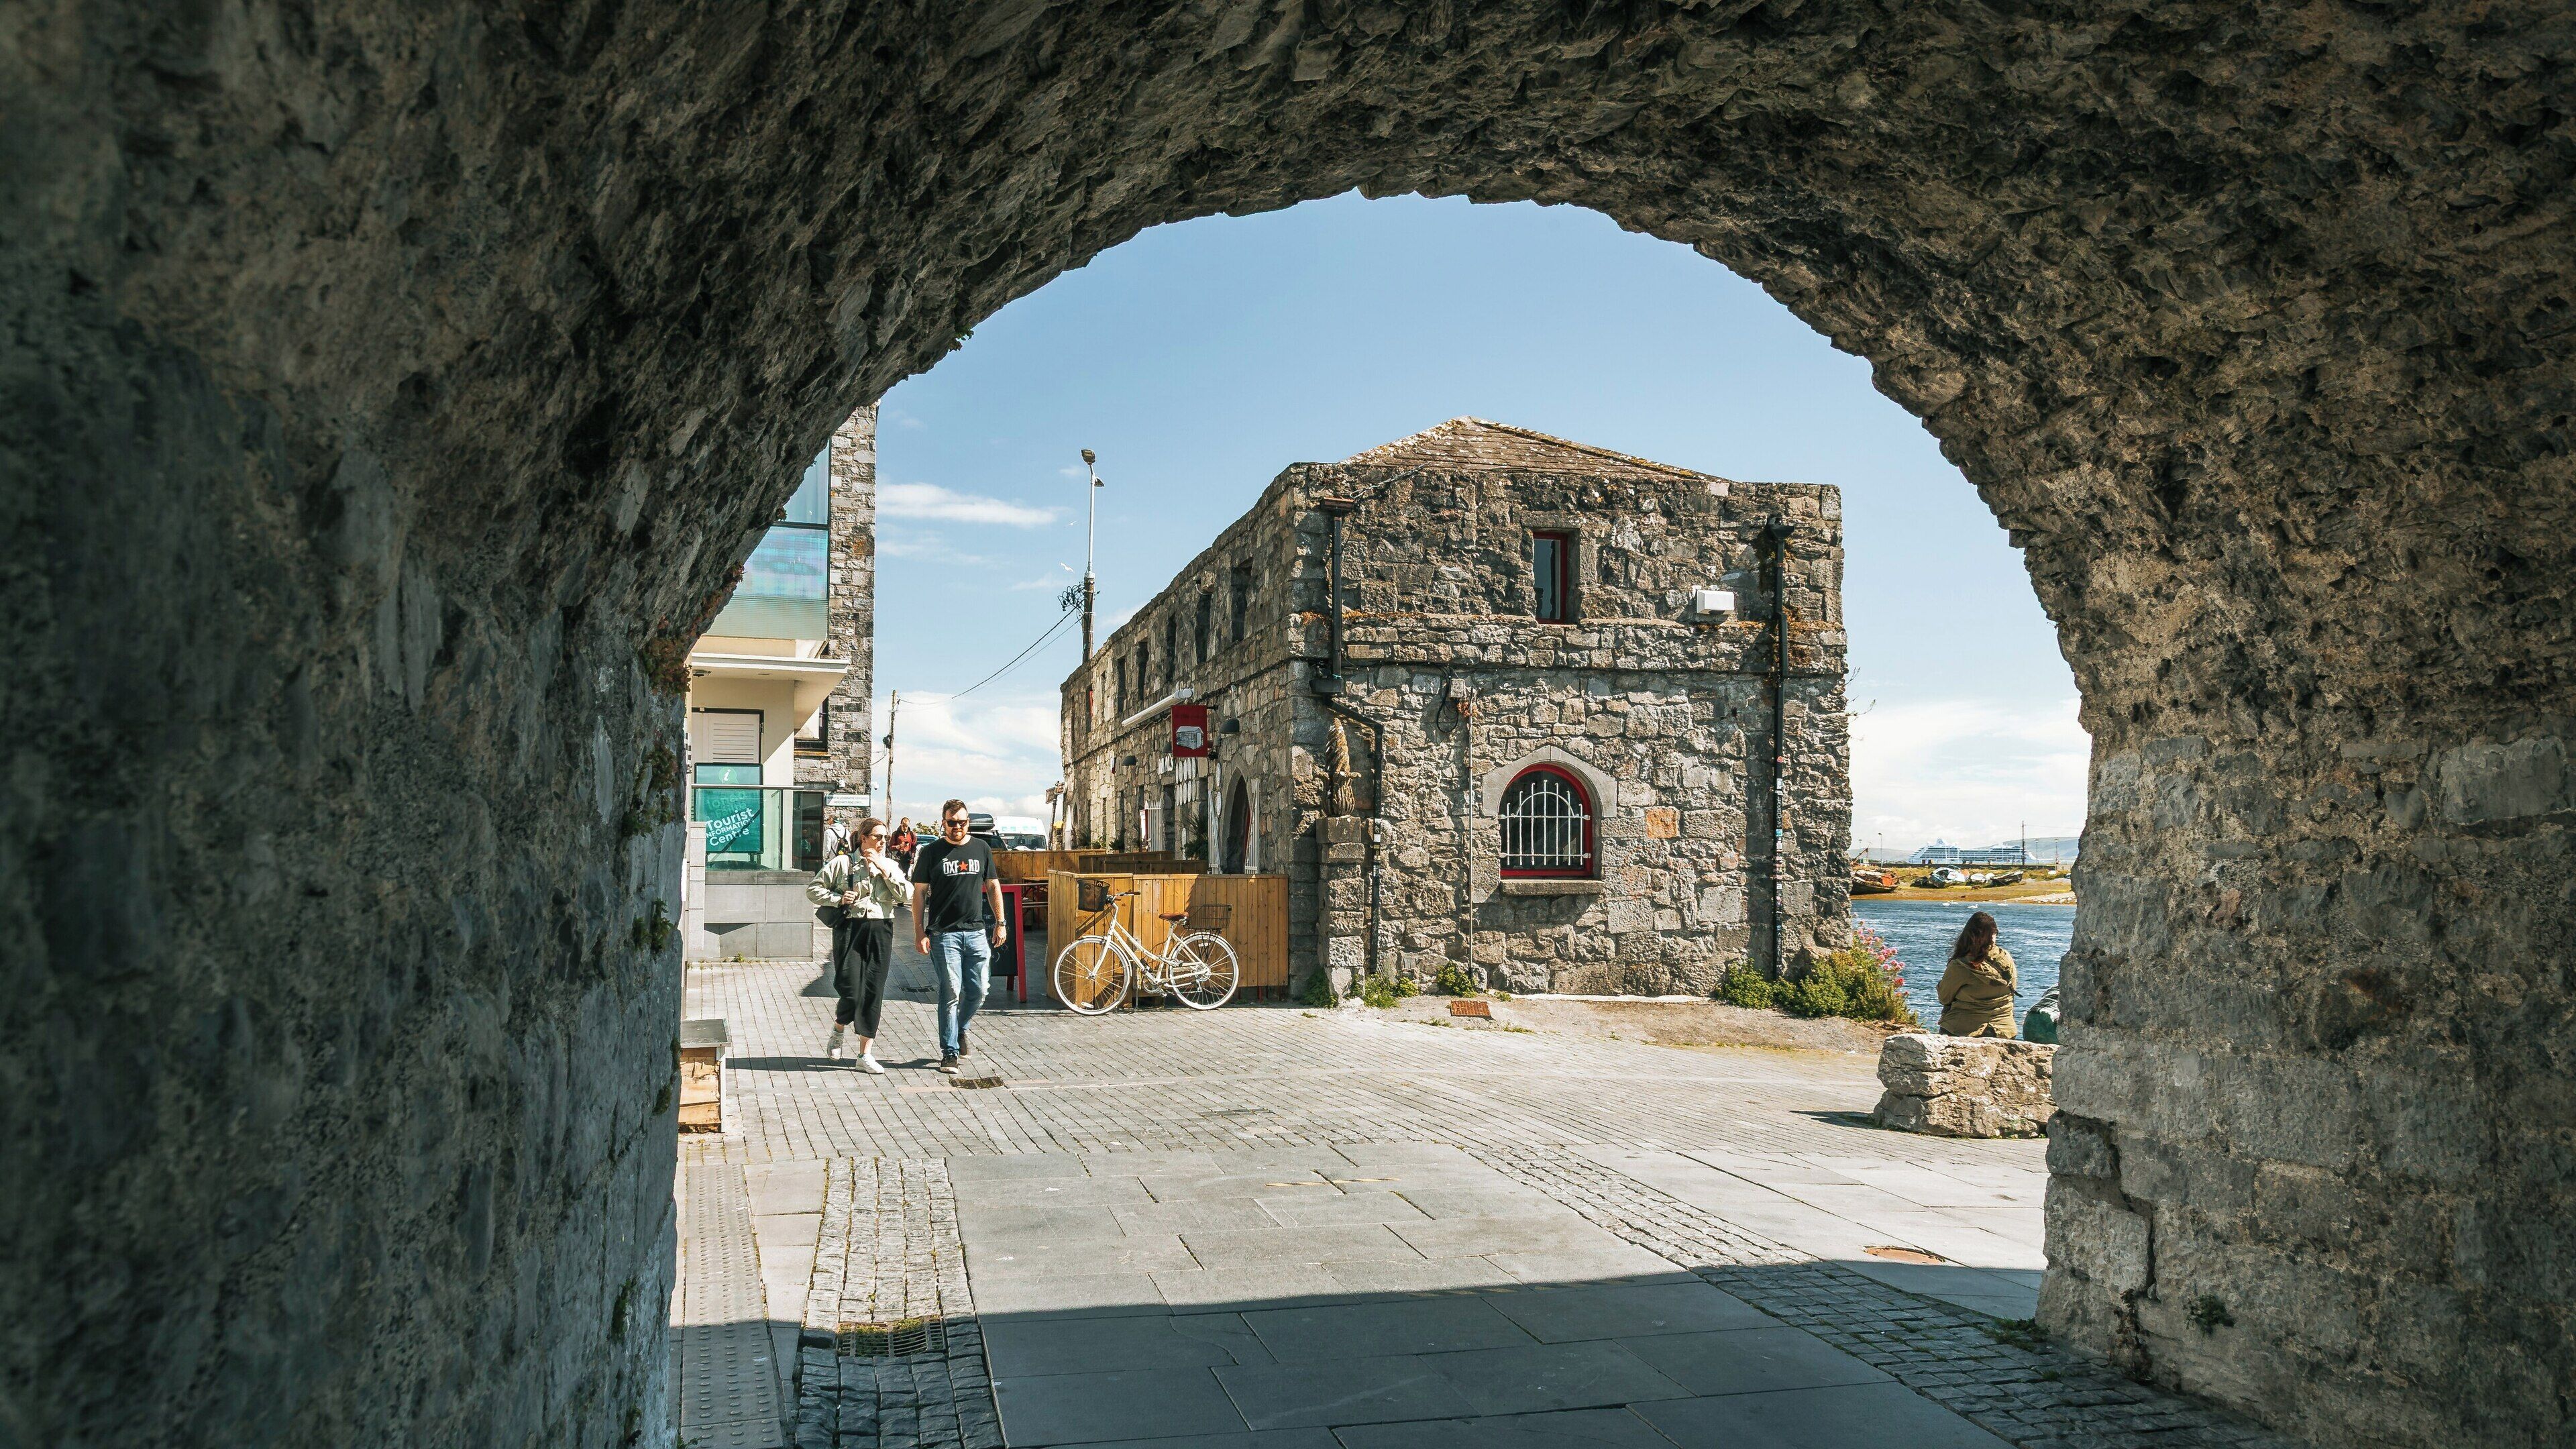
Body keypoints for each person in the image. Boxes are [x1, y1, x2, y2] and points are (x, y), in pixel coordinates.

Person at [806, 817, 910, 1073]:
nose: (883, 841)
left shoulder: (890, 865)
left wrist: (884, 871)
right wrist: (839, 898)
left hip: (881, 928)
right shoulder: (843, 863)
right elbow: (813, 890)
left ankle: (865, 1055)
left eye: (885, 837)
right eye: (878, 836)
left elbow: (906, 894)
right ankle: (839, 1028)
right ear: (863, 838)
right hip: (850, 929)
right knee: (851, 989)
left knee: (873, 991)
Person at [910, 798, 1006, 1075]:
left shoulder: (982, 848)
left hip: (976, 932)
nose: (957, 827)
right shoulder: (932, 852)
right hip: (943, 935)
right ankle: (949, 1052)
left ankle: (961, 1028)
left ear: (968, 823)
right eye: (952, 823)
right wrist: (919, 931)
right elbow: (918, 893)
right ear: (943, 822)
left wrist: (1001, 923)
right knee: (951, 991)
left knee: (979, 990)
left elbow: (993, 886)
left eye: (962, 823)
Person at [1937, 910, 2019, 1038]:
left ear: (1968, 934)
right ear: (1994, 934)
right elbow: (2012, 989)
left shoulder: (1960, 965)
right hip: (2004, 1029)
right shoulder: (2006, 957)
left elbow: (1944, 998)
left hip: (1963, 1029)